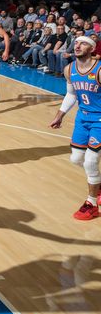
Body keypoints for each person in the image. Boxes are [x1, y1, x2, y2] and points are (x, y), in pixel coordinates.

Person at [49, 36, 101, 220]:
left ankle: (92, 203)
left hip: (99, 121)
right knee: (76, 158)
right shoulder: (69, 69)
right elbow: (71, 95)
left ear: (92, 49)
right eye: (77, 43)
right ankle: (98, 185)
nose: (78, 46)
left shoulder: (99, 70)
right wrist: (59, 115)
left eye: (84, 43)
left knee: (90, 161)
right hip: (82, 119)